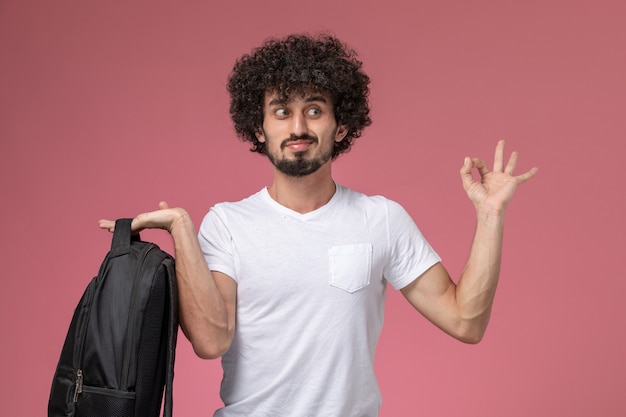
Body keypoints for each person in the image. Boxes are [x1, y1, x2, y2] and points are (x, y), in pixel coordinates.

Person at [100, 34, 537, 417]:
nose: (297, 127)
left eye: (313, 110)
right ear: (259, 129)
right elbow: (211, 341)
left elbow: (466, 322)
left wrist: (490, 215)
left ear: (341, 125)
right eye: (281, 111)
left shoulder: (381, 219)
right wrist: (182, 232)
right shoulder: (227, 225)